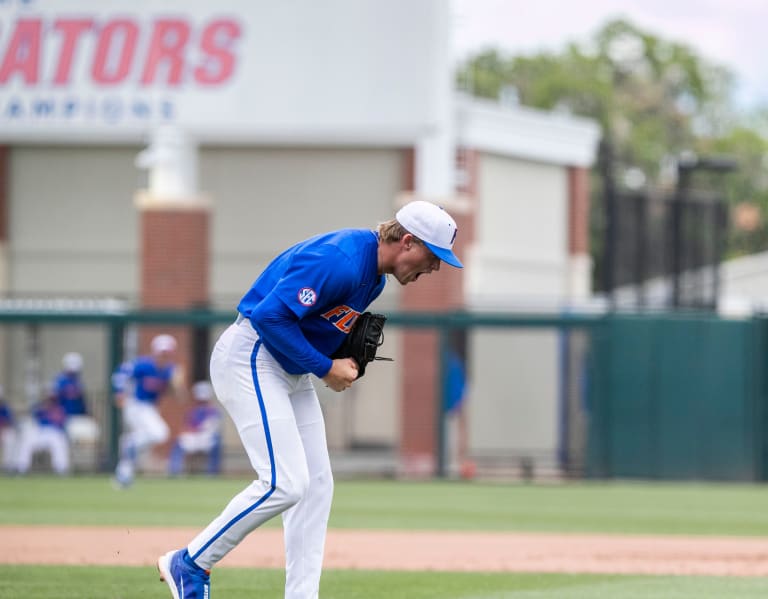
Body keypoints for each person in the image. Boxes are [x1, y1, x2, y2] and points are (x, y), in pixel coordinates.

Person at [157, 200, 463, 599]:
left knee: (317, 485)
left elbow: (308, 324)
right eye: (433, 256)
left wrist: (335, 359)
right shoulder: (342, 260)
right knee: (284, 483)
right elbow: (269, 318)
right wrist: (325, 367)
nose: (435, 267)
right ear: (407, 241)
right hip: (251, 355)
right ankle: (190, 563)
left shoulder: (374, 278)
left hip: (286, 367)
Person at [113, 333, 180, 488]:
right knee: (159, 433)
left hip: (149, 408)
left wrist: (177, 383)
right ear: (155, 352)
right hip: (136, 405)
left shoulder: (170, 370)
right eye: (162, 353)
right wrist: (119, 392)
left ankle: (123, 475)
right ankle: (129, 443)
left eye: (167, 354)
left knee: (143, 444)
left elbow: (177, 395)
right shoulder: (144, 364)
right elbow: (121, 373)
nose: (164, 357)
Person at [167, 380, 223, 476]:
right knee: (178, 442)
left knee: (216, 442)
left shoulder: (214, 411)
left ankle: (212, 473)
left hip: (206, 437)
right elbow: (187, 426)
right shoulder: (192, 410)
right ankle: (175, 472)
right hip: (193, 437)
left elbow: (211, 427)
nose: (201, 401)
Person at [15, 384, 70, 475]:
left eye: (52, 398)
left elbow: (61, 423)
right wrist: (42, 407)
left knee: (59, 442)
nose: (50, 400)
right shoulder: (41, 408)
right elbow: (32, 413)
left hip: (54, 433)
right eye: (48, 398)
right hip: (40, 433)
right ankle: (21, 468)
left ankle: (61, 469)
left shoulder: (60, 409)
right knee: (27, 441)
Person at [53, 352, 100, 445]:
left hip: (78, 417)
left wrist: (89, 414)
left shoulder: (77, 381)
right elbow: (55, 400)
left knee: (92, 432)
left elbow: (82, 402)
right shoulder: (60, 381)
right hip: (65, 418)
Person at [0, 386, 18, 473]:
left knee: (10, 438)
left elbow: (10, 422)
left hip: (4, 432)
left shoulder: (4, 407)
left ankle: (8, 467)